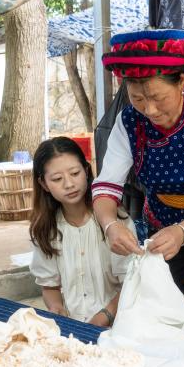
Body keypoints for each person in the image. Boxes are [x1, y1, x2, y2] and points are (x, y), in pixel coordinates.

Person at [92, 29, 184, 292]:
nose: (149, 110)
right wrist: (110, 224)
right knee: (163, 298)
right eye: (137, 98)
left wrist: (183, 231)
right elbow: (106, 185)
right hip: (161, 223)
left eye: (157, 97)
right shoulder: (129, 121)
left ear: (181, 81)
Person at [29, 137, 134, 325]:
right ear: (44, 184)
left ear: (86, 171)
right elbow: (50, 286)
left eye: (75, 173)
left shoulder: (115, 223)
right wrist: (56, 308)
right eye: (57, 179)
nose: (69, 184)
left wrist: (104, 316)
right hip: (73, 326)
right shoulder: (45, 229)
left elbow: (132, 283)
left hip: (119, 324)